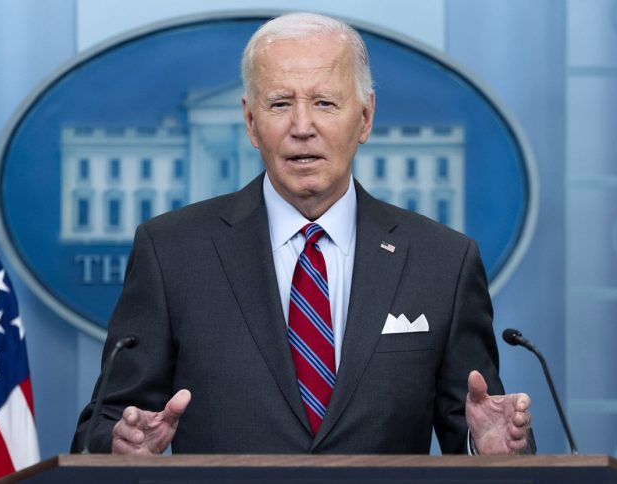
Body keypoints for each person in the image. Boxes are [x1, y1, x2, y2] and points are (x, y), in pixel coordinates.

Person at [71, 12, 533, 456]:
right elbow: (104, 423)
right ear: (252, 122)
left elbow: (479, 423)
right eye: (280, 104)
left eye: (325, 103)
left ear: (366, 118)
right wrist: (119, 443)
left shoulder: (443, 262)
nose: (302, 127)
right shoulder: (171, 252)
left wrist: (489, 448)